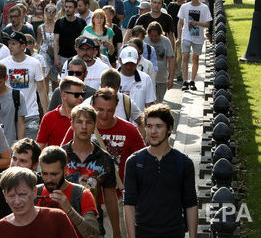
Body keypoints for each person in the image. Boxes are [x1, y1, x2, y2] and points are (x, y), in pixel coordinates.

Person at [124, 104, 198, 238]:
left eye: (159, 126)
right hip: (143, 233)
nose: (153, 131)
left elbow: (191, 204)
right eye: (149, 126)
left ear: (169, 129)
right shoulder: (134, 162)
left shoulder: (183, 162)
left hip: (174, 233)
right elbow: (129, 204)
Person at [60, 104, 120, 238]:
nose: (84, 127)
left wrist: (116, 231)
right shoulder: (60, 155)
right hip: (63, 222)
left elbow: (110, 196)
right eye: (79, 122)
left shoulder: (104, 158)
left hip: (93, 225)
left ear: (95, 126)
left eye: (88, 122)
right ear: (72, 124)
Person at [0, 167, 77, 237]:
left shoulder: (57, 218)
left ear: (34, 191)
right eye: (11, 196)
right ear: (4, 196)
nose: (17, 201)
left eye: (22, 194)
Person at [35, 146, 98, 238]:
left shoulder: (82, 194)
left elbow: (93, 235)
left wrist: (69, 210)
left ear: (65, 170)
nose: (49, 179)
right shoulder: (35, 193)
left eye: (54, 174)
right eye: (44, 174)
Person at [0, 31, 48, 138]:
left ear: (23, 46)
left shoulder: (35, 63)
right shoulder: (3, 63)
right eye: (9, 43)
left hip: (31, 114)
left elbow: (41, 90)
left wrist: (46, 114)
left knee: (30, 147)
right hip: (9, 114)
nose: (10, 46)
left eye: (14, 44)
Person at [176, 0, 212, 91]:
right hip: (186, 36)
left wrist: (197, 23)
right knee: (185, 57)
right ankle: (185, 81)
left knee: (195, 59)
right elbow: (180, 22)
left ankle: (192, 80)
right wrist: (179, 37)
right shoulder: (184, 6)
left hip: (198, 37)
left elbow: (208, 24)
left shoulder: (204, 8)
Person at [37, 76, 85, 148]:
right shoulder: (49, 118)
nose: (81, 98)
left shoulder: (87, 117)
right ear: (64, 95)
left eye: (82, 94)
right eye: (77, 95)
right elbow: (40, 146)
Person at [53, 0, 87, 73]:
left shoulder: (82, 22)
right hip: (62, 57)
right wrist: (56, 58)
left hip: (78, 57)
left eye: (70, 7)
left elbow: (84, 40)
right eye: (66, 7)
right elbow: (55, 41)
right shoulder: (59, 22)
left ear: (75, 9)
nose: (67, 9)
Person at [143, 22, 175, 103]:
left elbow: (171, 59)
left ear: (160, 34)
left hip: (161, 77)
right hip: (147, 77)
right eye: (151, 36)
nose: (153, 38)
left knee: (158, 102)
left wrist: (171, 78)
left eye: (156, 36)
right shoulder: (144, 40)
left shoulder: (166, 41)